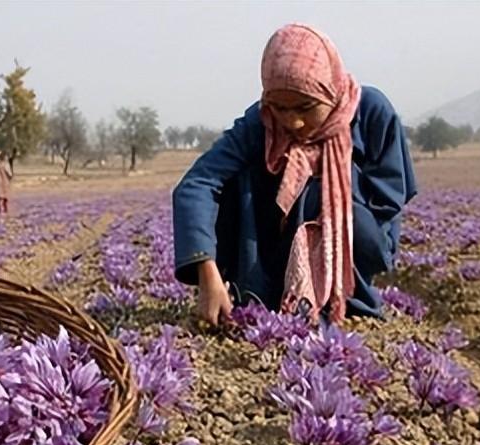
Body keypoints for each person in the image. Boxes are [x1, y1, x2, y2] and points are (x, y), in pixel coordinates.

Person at [172, 23, 417, 327]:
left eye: (305, 107)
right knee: (240, 176)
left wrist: (322, 185)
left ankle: (334, 298)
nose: (293, 122)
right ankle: (253, 288)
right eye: (280, 108)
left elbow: (388, 200)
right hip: (275, 241)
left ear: (330, 91)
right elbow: (197, 183)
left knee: (314, 180)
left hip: (357, 237)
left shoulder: (370, 111)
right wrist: (206, 270)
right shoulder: (261, 120)